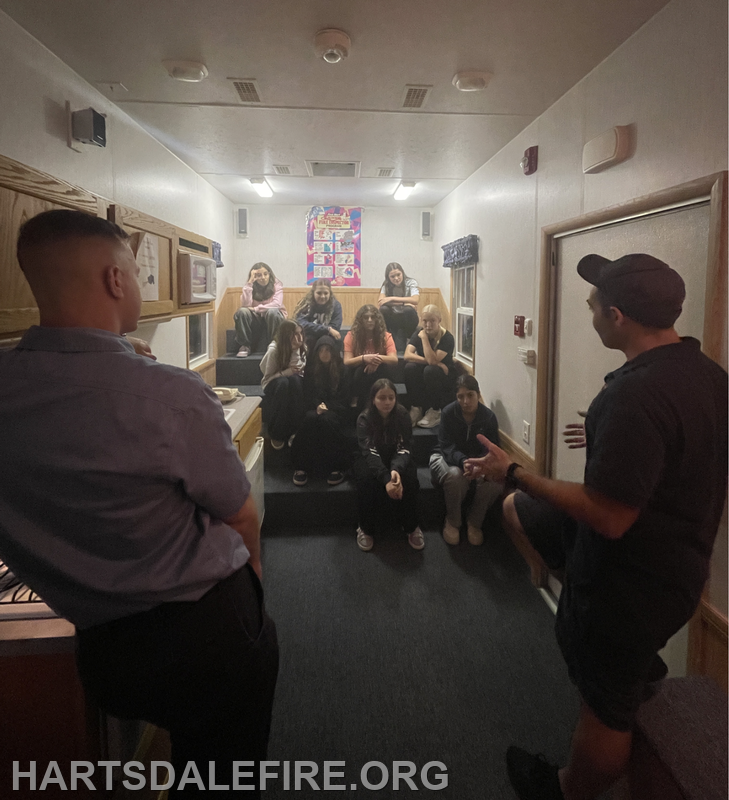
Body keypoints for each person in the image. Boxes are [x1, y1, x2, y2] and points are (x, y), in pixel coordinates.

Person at [0, 209, 278, 797]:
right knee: (224, 777)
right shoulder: (171, 395)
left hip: (103, 650)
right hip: (208, 637)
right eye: (136, 270)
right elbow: (240, 512)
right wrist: (253, 590)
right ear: (115, 280)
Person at [464, 253, 728, 800]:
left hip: (630, 579)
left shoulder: (636, 395)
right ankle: (602, 651)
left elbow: (609, 516)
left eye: (592, 307)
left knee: (605, 705)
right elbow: (680, 449)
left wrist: (513, 472)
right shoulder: (705, 374)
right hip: (678, 567)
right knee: (519, 514)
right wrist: (612, 445)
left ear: (618, 316)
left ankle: (566, 790)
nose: (589, 313)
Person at [429, 375, 502, 546]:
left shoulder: (488, 417)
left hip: (477, 462)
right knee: (456, 476)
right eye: (460, 396)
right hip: (445, 457)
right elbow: (446, 446)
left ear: (478, 394)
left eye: (470, 395)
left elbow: (492, 448)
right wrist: (463, 461)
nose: (465, 401)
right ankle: (453, 521)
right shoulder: (448, 412)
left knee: (495, 481)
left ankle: (475, 522)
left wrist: (482, 465)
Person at [353, 378, 424, 552]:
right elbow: (368, 451)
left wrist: (395, 470)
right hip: (371, 457)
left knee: (410, 479)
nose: (387, 402)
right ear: (373, 399)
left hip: (396, 455)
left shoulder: (402, 415)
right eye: (382, 398)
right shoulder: (364, 418)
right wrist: (386, 478)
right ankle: (365, 528)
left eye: (391, 397)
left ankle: (411, 526)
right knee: (366, 480)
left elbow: (405, 446)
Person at [290, 335, 350, 487]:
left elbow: (345, 398)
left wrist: (327, 406)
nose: (324, 353)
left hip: (337, 410)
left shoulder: (343, 370)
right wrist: (318, 406)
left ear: (333, 352)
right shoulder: (311, 371)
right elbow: (308, 395)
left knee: (326, 420)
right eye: (321, 350)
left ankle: (335, 467)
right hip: (315, 408)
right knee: (311, 419)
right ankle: (301, 466)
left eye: (328, 350)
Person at [403, 304, 456, 428]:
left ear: (439, 320)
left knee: (430, 369)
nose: (428, 325)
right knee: (409, 367)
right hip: (430, 370)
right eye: (425, 321)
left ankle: (435, 410)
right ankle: (416, 408)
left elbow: (432, 361)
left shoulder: (447, 338)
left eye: (432, 321)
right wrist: (436, 363)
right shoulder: (419, 332)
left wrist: (424, 339)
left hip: (444, 376)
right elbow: (407, 355)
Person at [260, 319, 306, 450]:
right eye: (295, 334)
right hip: (273, 383)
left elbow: (300, 370)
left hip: (292, 382)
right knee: (284, 383)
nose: (300, 338)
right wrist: (287, 372)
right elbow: (268, 377)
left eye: (301, 333)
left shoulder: (301, 347)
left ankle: (295, 430)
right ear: (287, 336)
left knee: (295, 381)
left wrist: (294, 369)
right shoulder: (274, 350)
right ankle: (277, 432)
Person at [343, 304, 398, 410]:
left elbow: (393, 359)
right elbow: (347, 361)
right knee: (359, 371)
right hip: (359, 374)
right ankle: (356, 401)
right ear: (361, 320)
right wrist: (364, 358)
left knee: (384, 368)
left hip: (378, 371)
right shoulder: (351, 336)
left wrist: (374, 361)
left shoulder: (385, 336)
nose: (369, 320)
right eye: (366, 317)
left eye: (373, 317)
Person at [234, 262, 286, 357]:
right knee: (242, 311)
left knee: (272, 311)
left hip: (274, 317)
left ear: (269, 274)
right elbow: (246, 305)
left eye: (265, 274)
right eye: (259, 275)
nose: (263, 277)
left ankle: (275, 344)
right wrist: (249, 283)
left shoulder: (276, 285)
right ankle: (245, 345)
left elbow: (276, 304)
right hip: (257, 319)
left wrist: (256, 309)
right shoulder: (250, 285)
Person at [377, 262, 420, 351]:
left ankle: (408, 335)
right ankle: (387, 333)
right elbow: (381, 302)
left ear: (402, 273)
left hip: (408, 319)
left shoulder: (411, 282)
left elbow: (415, 300)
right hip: (394, 319)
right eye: (392, 276)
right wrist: (404, 302)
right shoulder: (386, 285)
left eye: (398, 275)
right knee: (383, 309)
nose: (396, 278)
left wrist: (391, 298)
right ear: (388, 277)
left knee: (408, 309)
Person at [293, 278, 343, 350]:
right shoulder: (306, 304)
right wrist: (327, 329)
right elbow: (301, 323)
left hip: (327, 336)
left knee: (327, 341)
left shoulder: (336, 305)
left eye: (326, 293)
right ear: (313, 293)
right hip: (309, 335)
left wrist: (324, 330)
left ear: (330, 293)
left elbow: (335, 327)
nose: (322, 296)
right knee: (309, 340)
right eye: (319, 293)